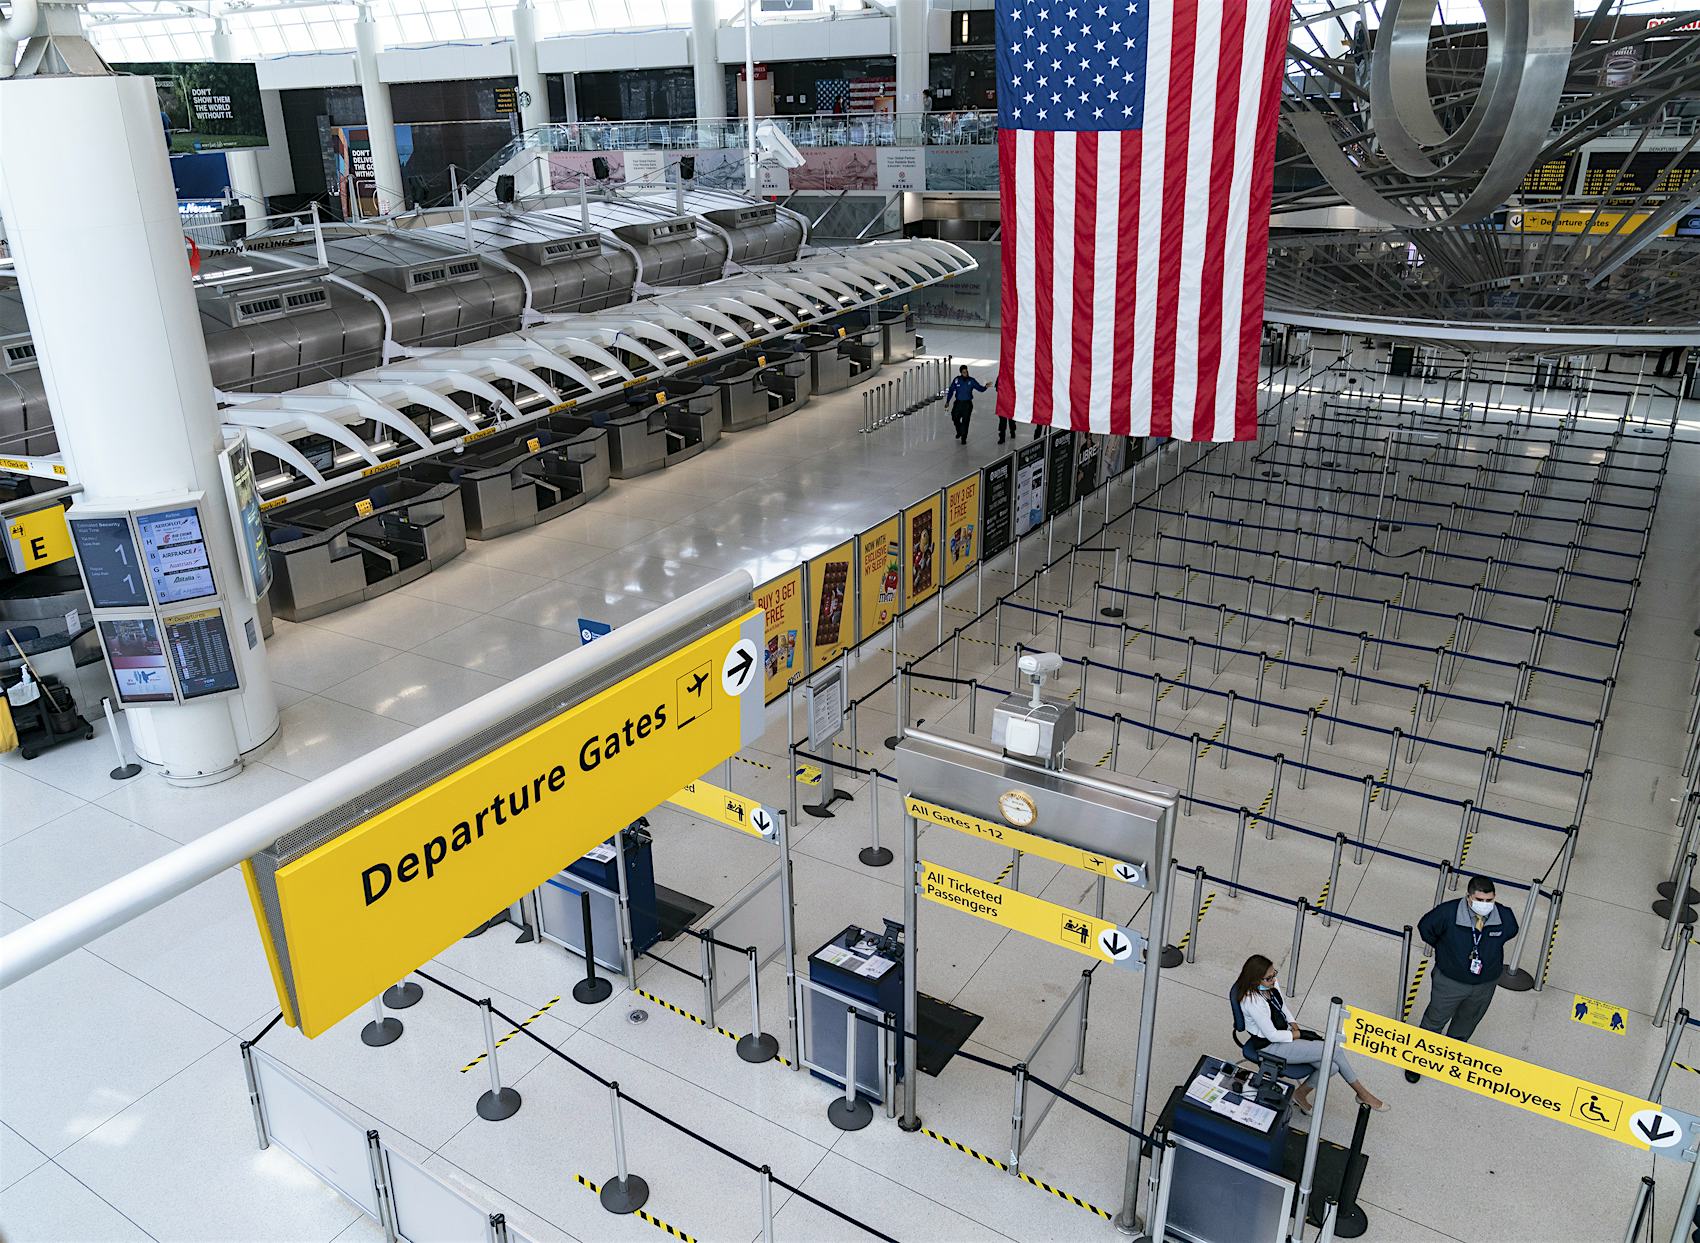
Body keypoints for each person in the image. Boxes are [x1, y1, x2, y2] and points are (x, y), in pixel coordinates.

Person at [1234, 954, 1387, 1115]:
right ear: (1255, 981)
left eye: (1274, 974)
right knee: (1334, 1050)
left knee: (1332, 1067)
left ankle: (1299, 1094)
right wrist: (1299, 1035)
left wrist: (1293, 1024)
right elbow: (1272, 1036)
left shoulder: (1270, 985)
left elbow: (1281, 1006)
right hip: (1270, 1046)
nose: (1273, 980)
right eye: (1269, 978)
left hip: (1285, 1034)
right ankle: (1363, 1094)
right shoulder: (1252, 1001)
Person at [1406, 875, 1518, 1082]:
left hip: (1485, 984)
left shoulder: (1504, 916)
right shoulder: (1447, 913)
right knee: (1434, 1020)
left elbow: (1511, 931)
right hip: (1450, 981)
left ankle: (1451, 1057)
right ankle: (1418, 1060)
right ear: (1468, 897)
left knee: (1467, 1022)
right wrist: (1447, 952)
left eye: (1489, 900)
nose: (1485, 905)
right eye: (1480, 900)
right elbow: (1426, 929)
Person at [945, 365, 987, 444]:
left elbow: (980, 389)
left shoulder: (971, 381)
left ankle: (963, 438)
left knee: (965, 422)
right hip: (958, 403)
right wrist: (947, 401)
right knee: (955, 418)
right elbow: (951, 391)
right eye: (964, 372)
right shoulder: (957, 380)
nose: (966, 373)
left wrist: (985, 387)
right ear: (961, 373)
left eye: (967, 371)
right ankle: (959, 431)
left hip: (967, 404)